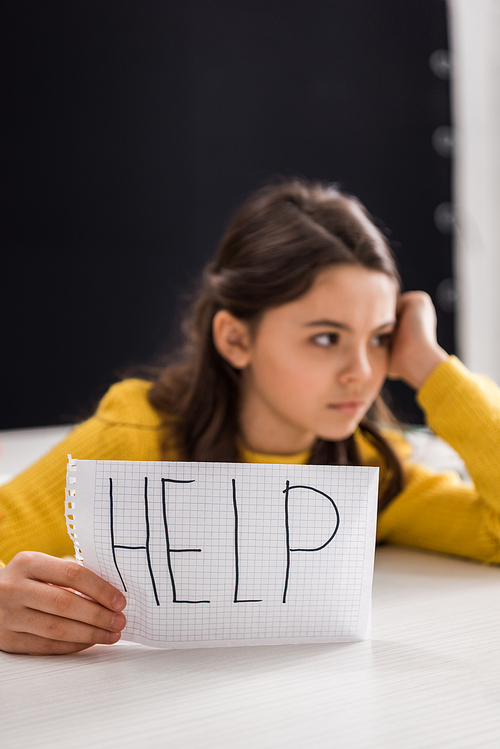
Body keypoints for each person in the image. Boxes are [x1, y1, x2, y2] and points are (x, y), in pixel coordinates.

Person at [1, 178, 500, 655]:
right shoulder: (138, 436)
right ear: (236, 339)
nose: (363, 372)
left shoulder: (364, 464)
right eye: (326, 338)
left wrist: (432, 368)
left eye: (380, 338)